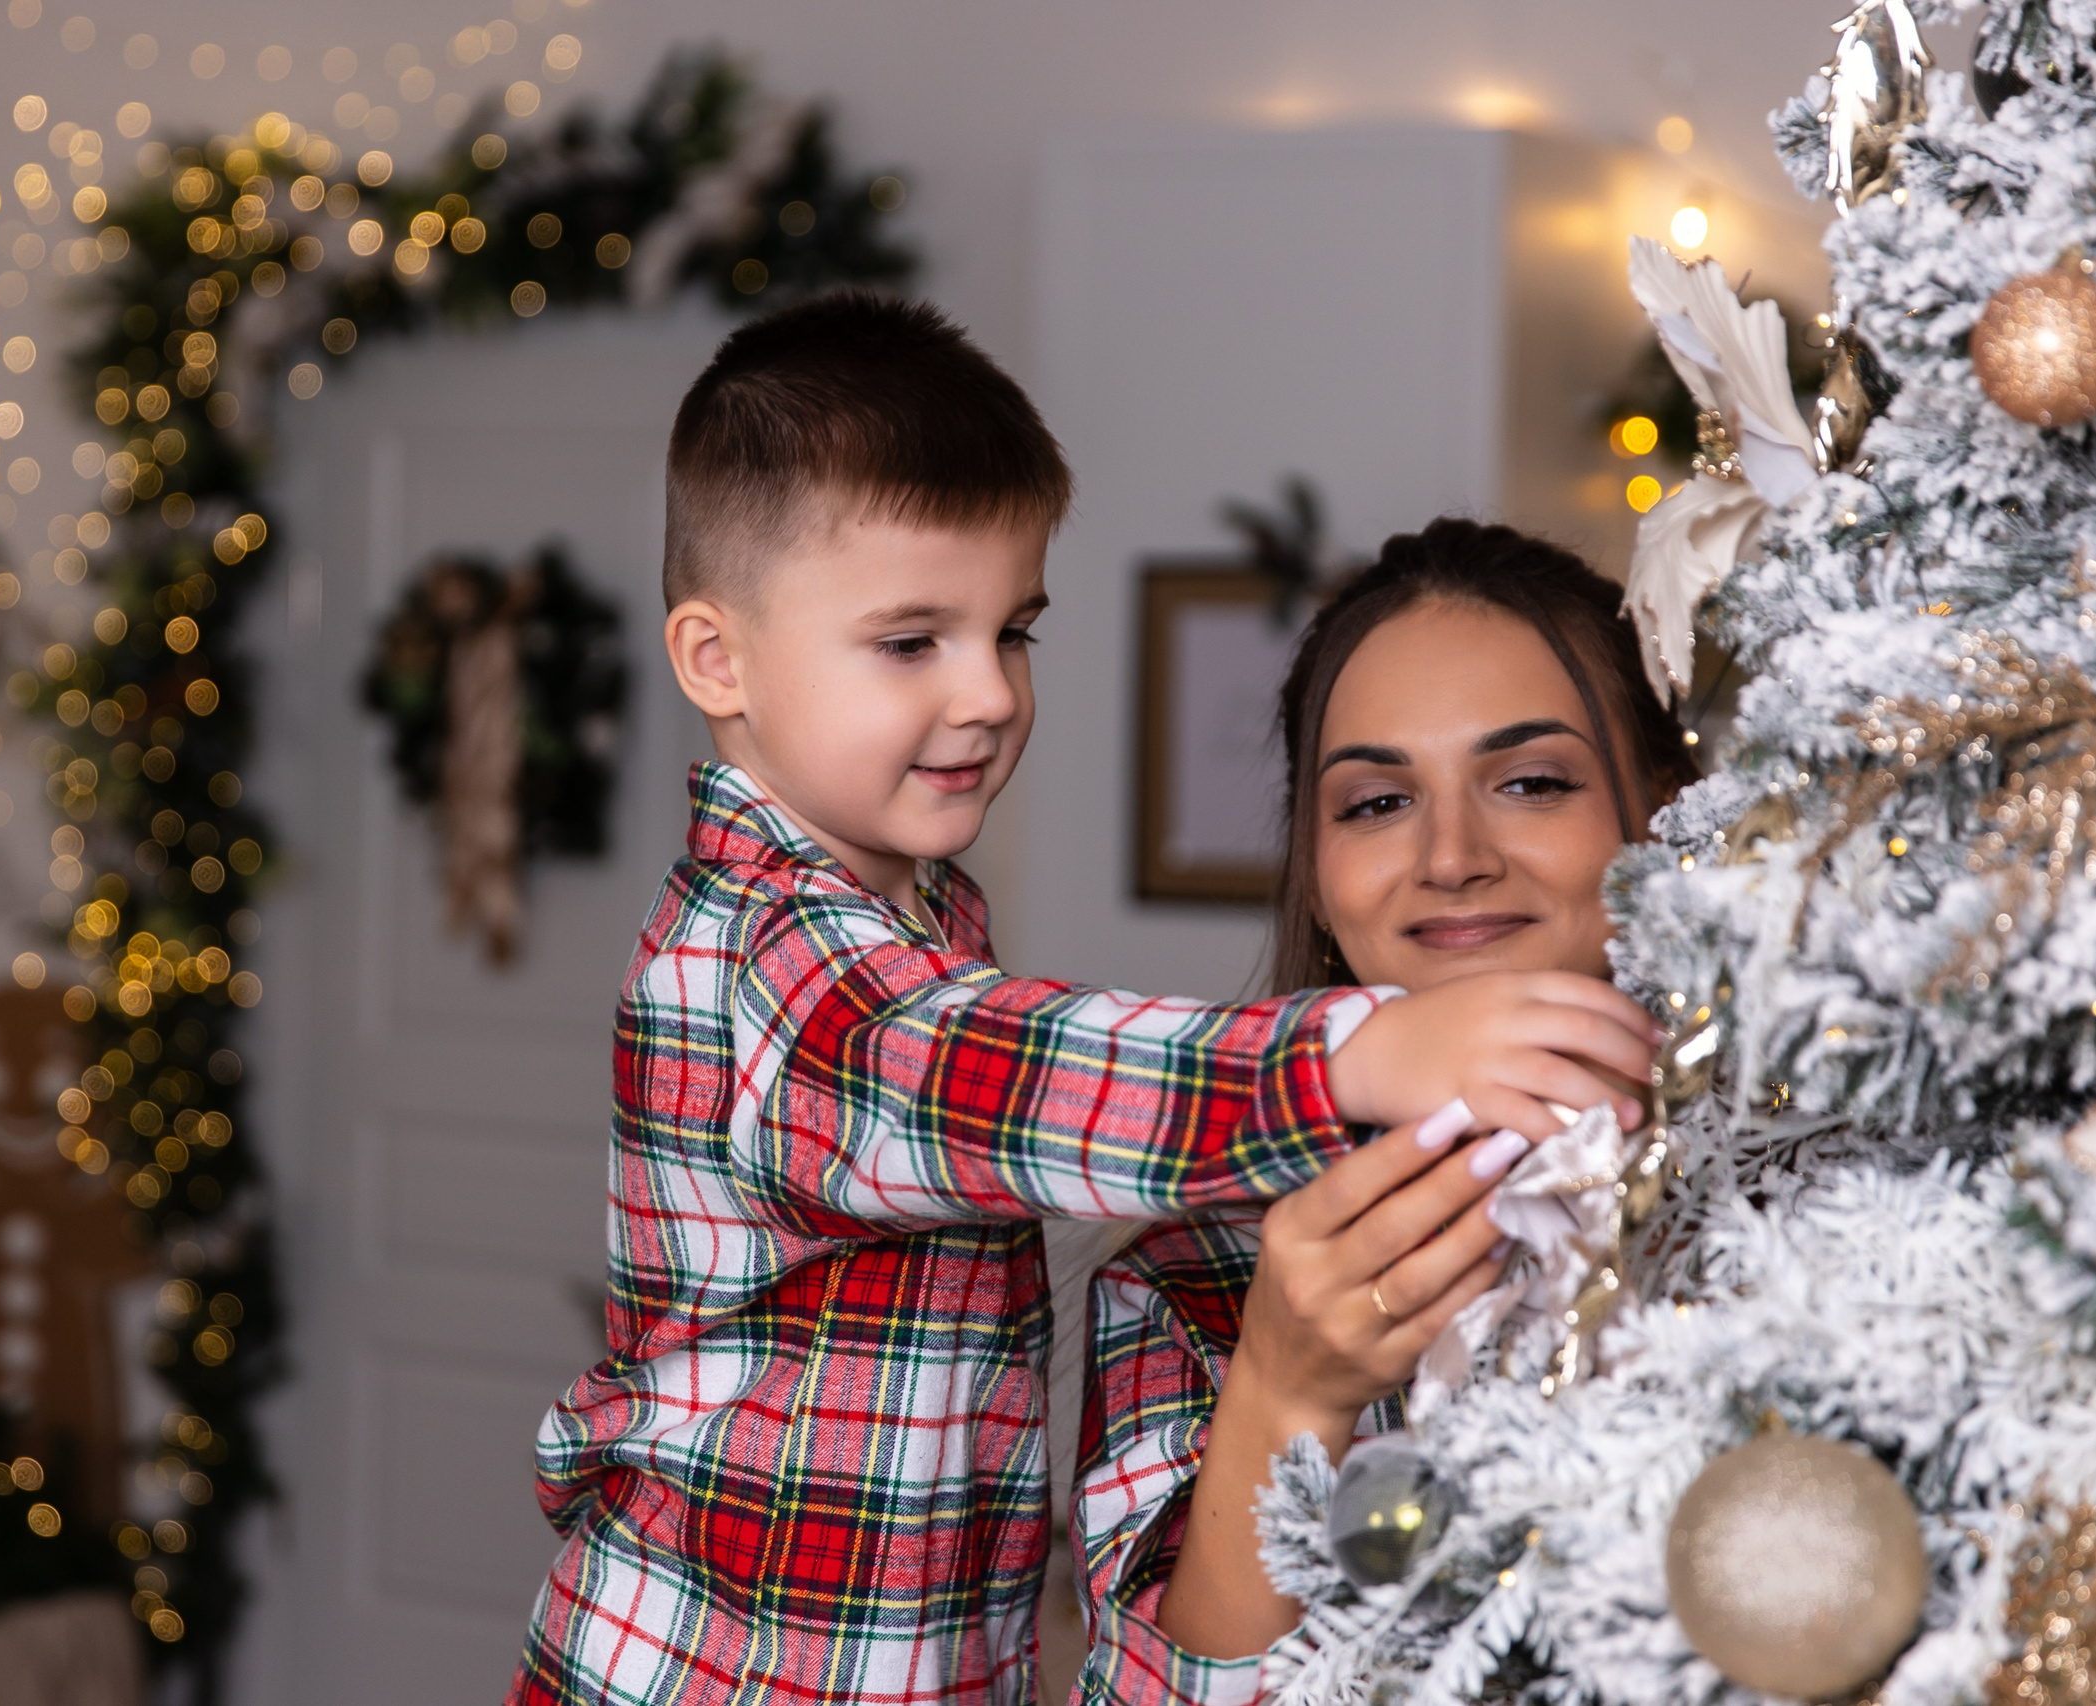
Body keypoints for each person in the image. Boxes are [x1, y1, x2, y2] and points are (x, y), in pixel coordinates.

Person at [507, 302, 1662, 1706]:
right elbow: (996, 1072)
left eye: (1015, 632)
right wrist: (1370, 1048)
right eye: (912, 640)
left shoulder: (912, 916)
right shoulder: (766, 959)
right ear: (715, 660)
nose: (991, 692)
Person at [1075, 518, 1697, 1704]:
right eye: (1373, 802)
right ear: (1314, 864)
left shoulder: (1819, 1184)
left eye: (1530, 782)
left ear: (1662, 809)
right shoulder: (1191, 1270)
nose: (1450, 855)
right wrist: (1283, 1384)